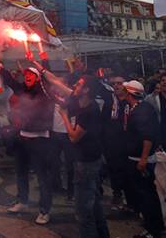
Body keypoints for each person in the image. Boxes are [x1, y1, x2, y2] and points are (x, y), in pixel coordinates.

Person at [0, 59, 62, 225]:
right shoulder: (22, 90)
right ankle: (22, 201)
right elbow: (11, 81)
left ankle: (44, 210)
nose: (27, 76)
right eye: (25, 74)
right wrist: (0, 65)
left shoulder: (45, 92)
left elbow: (48, 79)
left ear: (38, 78)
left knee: (42, 176)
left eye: (31, 74)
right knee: (20, 171)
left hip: (40, 139)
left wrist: (40, 65)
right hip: (23, 137)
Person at [57, 76, 110, 238]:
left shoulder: (89, 111)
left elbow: (73, 137)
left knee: (83, 212)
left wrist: (64, 116)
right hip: (90, 160)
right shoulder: (85, 103)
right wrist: (40, 68)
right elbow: (56, 83)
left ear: (86, 90)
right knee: (95, 207)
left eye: (79, 85)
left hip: (86, 164)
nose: (75, 86)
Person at [120, 80, 164, 238]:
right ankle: (155, 224)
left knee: (146, 195)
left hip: (141, 160)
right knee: (147, 193)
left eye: (124, 89)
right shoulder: (134, 107)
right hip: (135, 157)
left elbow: (147, 136)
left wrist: (143, 159)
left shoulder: (142, 110)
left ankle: (152, 229)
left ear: (129, 92)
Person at [102, 75, 131, 210]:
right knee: (114, 169)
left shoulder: (131, 101)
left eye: (119, 83)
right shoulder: (109, 102)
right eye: (114, 83)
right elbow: (103, 122)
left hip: (129, 142)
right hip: (112, 143)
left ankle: (131, 198)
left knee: (129, 171)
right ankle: (117, 194)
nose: (117, 86)